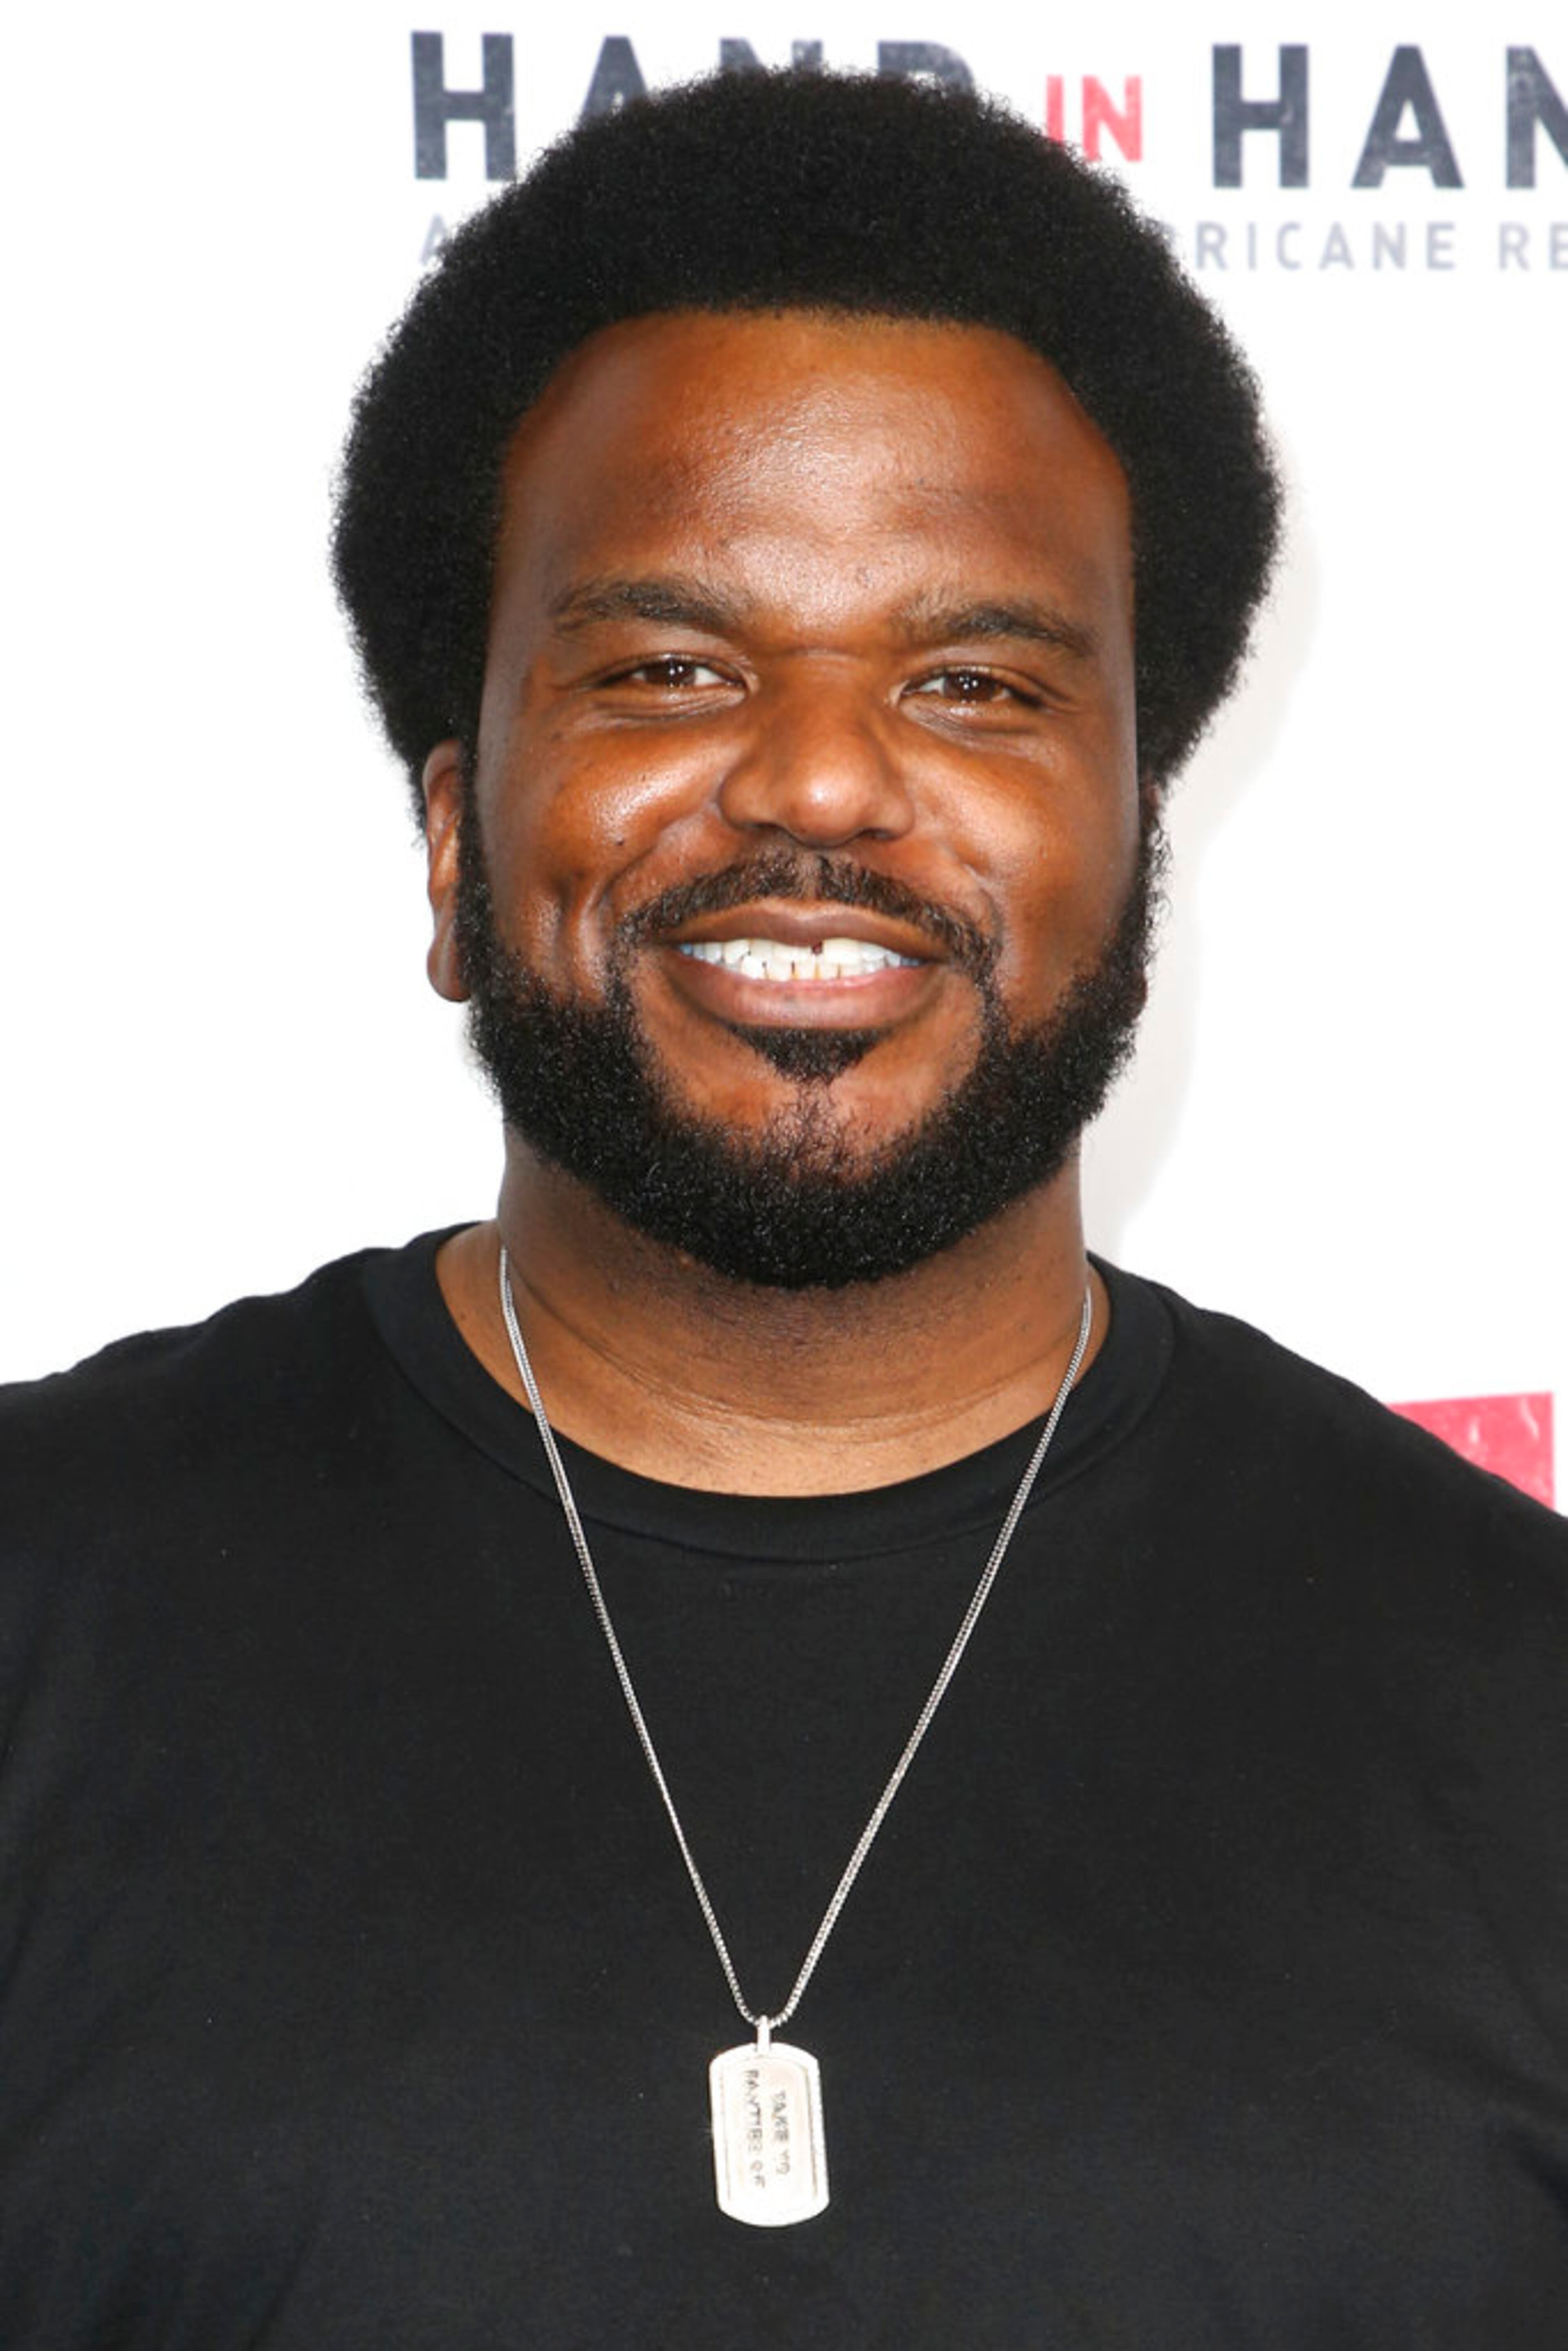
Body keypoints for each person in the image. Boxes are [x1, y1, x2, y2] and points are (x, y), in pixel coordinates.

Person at [2, 65, 1565, 2349]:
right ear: (454, 845)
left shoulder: (1520, 1706)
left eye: (973, 683)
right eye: (668, 669)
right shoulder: (42, 1612)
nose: (822, 780)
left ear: (1134, 849)